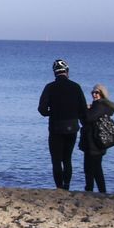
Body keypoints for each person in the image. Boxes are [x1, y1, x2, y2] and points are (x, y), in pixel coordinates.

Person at [38, 59, 87, 190]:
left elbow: (42, 109)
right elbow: (83, 109)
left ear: (54, 73)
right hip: (72, 127)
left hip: (56, 127)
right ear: (67, 71)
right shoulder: (76, 87)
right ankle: (67, 185)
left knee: (56, 159)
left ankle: (59, 187)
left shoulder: (50, 87)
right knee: (67, 158)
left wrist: (51, 112)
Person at [78, 83, 114, 193]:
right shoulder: (97, 106)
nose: (94, 94)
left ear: (102, 94)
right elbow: (86, 121)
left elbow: (88, 118)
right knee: (91, 168)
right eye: (93, 92)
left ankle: (96, 190)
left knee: (93, 169)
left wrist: (85, 110)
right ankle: (94, 190)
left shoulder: (100, 106)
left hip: (95, 142)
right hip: (93, 141)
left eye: (97, 92)